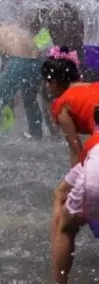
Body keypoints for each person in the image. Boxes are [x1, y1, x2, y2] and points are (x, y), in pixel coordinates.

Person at [44, 48, 99, 284]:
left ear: (55, 82)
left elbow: (76, 152)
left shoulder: (61, 104)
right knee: (65, 190)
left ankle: (58, 255)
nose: (46, 87)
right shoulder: (95, 87)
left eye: (47, 82)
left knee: (62, 205)